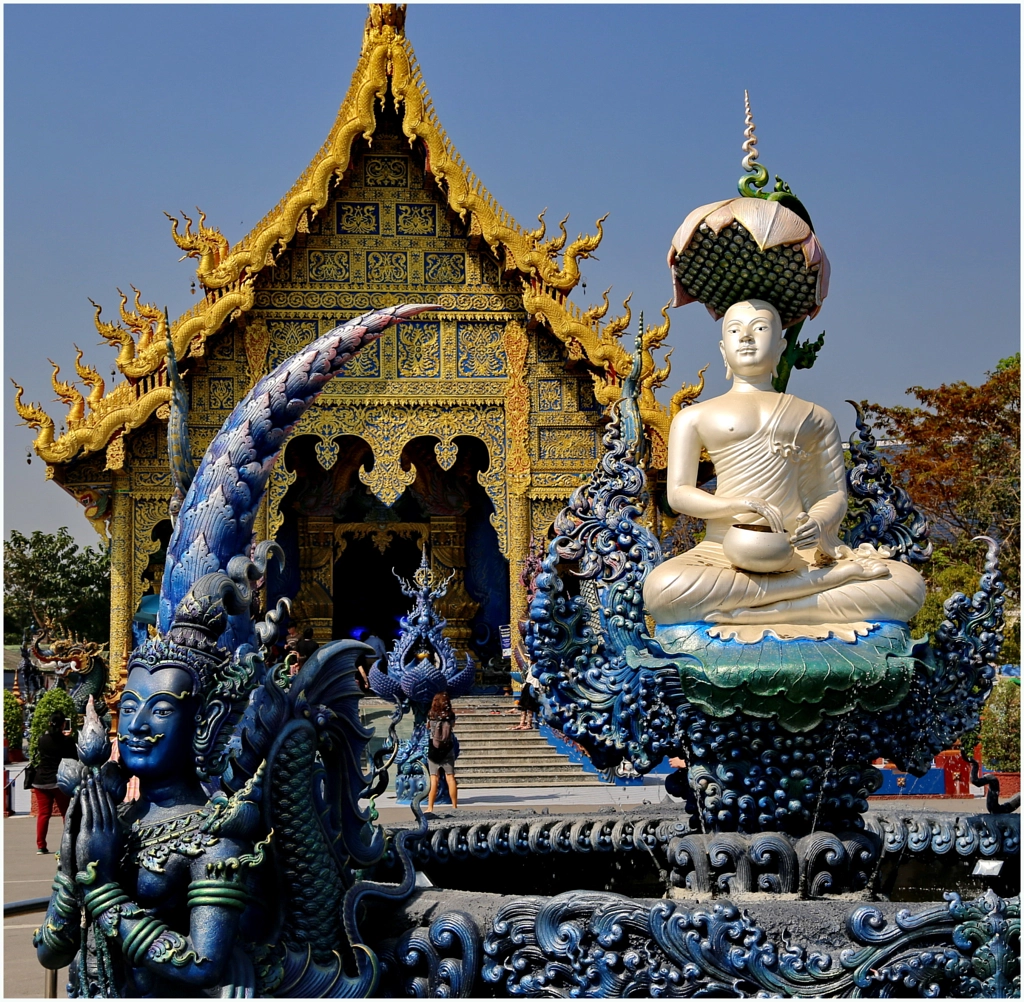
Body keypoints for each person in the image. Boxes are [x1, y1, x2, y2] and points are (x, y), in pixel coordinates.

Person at [642, 299, 926, 633]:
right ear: (723, 350)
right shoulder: (695, 417)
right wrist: (735, 505)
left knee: (906, 585)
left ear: (780, 346)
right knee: (665, 587)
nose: (746, 338)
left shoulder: (815, 417)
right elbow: (678, 494)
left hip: (799, 554)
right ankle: (820, 589)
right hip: (722, 550)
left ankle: (763, 608)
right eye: (735, 331)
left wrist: (817, 524)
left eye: (759, 328)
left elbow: (832, 493)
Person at [31, 710, 78, 853]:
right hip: (59, 781)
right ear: (64, 724)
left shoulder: (42, 739)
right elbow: (74, 757)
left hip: (40, 780)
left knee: (44, 814)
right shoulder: (67, 741)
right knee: (66, 814)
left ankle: (41, 845)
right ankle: (68, 844)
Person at [425, 691, 457, 812]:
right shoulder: (451, 715)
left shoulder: (431, 714)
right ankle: (454, 806)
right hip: (448, 748)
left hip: (434, 749)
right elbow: (453, 725)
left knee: (434, 779)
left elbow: (428, 727)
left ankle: (430, 807)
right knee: (451, 778)